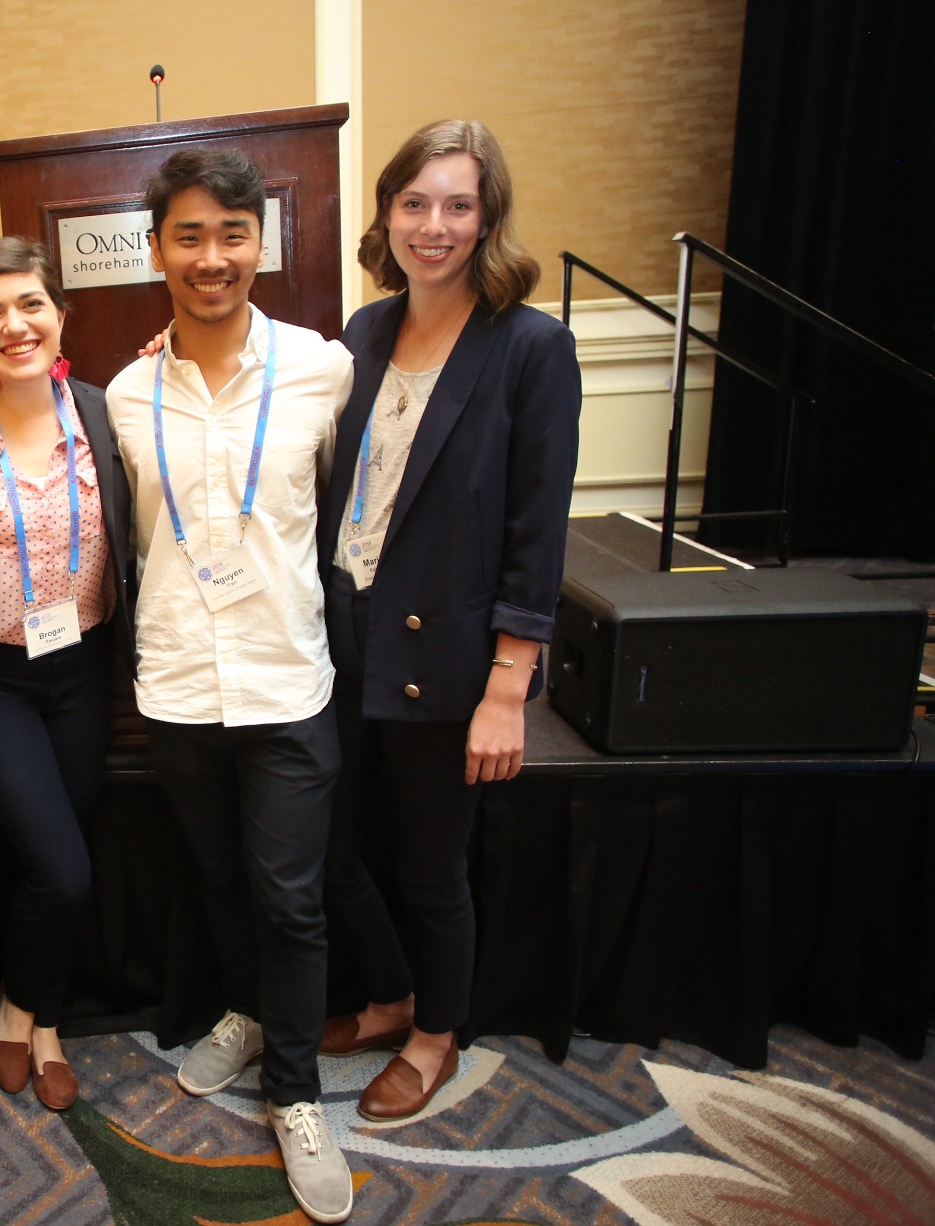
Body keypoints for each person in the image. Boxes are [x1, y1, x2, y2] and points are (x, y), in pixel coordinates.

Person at [105, 149, 356, 1224]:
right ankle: (249, 1012)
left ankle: (294, 1091)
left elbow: (343, 512)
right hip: (175, 684)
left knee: (290, 896)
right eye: (190, 236)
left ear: (263, 242)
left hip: (287, 676)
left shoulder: (322, 368)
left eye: (233, 234)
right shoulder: (121, 391)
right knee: (218, 880)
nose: (213, 258)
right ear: (156, 247)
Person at [317, 119, 580, 1121]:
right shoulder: (362, 332)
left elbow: (536, 526)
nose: (434, 225)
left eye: (457, 205)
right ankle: (388, 997)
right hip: (344, 635)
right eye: (415, 202)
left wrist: (509, 684)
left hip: (452, 650)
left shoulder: (529, 346)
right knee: (336, 852)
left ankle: (436, 1034)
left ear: (487, 218)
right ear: (386, 212)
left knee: (432, 865)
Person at [0, 238, 132, 1112]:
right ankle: (17, 1009)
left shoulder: (108, 412)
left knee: (61, 856)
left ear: (60, 312)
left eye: (30, 304)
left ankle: (35, 1017)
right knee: (60, 869)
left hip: (84, 668)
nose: (15, 325)